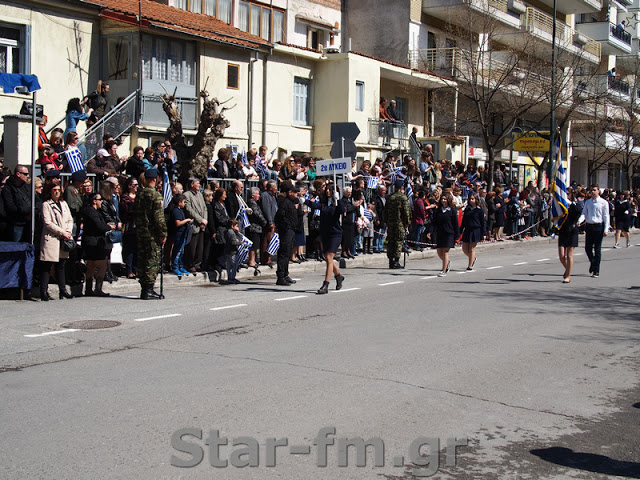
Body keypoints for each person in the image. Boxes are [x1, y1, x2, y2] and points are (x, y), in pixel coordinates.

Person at [135, 168, 167, 299]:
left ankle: (144, 288)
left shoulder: (140, 194)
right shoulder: (155, 195)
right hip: (152, 233)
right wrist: (163, 233)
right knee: (152, 260)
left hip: (141, 231)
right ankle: (148, 289)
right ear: (155, 179)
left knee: (142, 259)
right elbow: (159, 218)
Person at [39, 184, 74, 300]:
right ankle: (43, 291)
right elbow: (48, 223)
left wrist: (68, 231)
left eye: (59, 190)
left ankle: (63, 289)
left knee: (61, 265)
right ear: (50, 191)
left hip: (64, 237)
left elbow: (69, 219)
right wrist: (62, 232)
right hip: (52, 238)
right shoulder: (46, 204)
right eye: (55, 190)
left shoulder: (64, 204)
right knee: (47, 265)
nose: (57, 192)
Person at [81, 192, 113, 297]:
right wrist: (109, 227)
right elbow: (99, 226)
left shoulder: (94, 211)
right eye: (100, 200)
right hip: (94, 242)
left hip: (91, 241)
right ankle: (97, 288)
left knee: (91, 265)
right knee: (101, 265)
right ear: (94, 201)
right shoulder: (92, 212)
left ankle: (89, 289)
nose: (101, 202)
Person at [316, 182, 345, 294]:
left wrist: (340, 199)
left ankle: (326, 285)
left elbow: (342, 211)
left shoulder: (337, 203)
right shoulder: (324, 202)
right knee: (328, 258)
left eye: (330, 190)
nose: (327, 191)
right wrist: (304, 200)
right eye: (326, 189)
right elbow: (316, 206)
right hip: (325, 233)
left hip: (335, 234)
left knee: (329, 257)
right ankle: (338, 276)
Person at [578, 185, 610, 278]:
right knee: (588, 248)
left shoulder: (603, 202)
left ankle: (596, 270)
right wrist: (580, 220)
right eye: (591, 190)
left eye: (594, 190)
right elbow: (584, 213)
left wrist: (606, 229)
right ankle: (593, 262)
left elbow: (606, 216)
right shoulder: (588, 202)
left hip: (598, 226)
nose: (592, 192)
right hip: (589, 226)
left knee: (597, 249)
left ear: (598, 192)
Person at [274, 183, 299, 286]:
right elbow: (279, 216)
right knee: (284, 253)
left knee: (287, 253)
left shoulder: (291, 202)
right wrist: (285, 227)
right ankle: (280, 276)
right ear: (289, 193)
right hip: (286, 231)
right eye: (295, 192)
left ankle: (285, 274)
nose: (296, 194)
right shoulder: (284, 203)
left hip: (291, 230)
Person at [384, 178, 411, 269]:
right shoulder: (403, 197)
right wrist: (407, 222)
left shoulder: (390, 197)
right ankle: (396, 261)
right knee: (398, 242)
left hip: (391, 223)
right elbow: (406, 212)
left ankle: (391, 261)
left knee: (391, 241)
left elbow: (385, 211)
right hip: (399, 223)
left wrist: (386, 221)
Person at [557, 188, 582, 283]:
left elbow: (579, 211)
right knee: (561, 256)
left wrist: (571, 203)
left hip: (572, 230)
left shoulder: (575, 204)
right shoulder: (561, 205)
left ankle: (568, 276)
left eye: (567, 194)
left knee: (569, 255)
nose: (565, 195)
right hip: (563, 230)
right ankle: (568, 269)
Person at [433, 192, 459, 277]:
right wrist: (430, 231)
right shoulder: (438, 211)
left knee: (445, 251)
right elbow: (434, 222)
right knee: (439, 251)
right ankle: (447, 262)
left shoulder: (452, 211)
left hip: (449, 233)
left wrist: (457, 237)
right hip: (440, 233)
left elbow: (455, 224)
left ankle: (444, 270)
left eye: (445, 199)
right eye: (442, 199)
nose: (443, 201)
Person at [2, 165, 31, 242]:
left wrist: (34, 212)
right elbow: (10, 206)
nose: (28, 176)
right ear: (18, 174)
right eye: (25, 174)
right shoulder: (8, 188)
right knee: (16, 246)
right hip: (16, 224)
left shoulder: (27, 187)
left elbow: (36, 200)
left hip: (29, 223)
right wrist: (24, 213)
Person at [184, 177, 207, 273]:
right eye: (197, 183)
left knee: (200, 247)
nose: (199, 185)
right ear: (192, 184)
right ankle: (190, 264)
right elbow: (189, 210)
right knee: (192, 247)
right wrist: (200, 219)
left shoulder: (200, 195)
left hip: (202, 225)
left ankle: (198, 264)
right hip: (194, 224)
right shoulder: (187, 195)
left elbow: (204, 208)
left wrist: (205, 219)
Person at [460, 193, 486, 271]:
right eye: (470, 199)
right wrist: (460, 231)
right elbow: (464, 221)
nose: (471, 200)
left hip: (475, 230)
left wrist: (484, 233)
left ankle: (470, 265)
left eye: (472, 199)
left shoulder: (479, 210)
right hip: (467, 229)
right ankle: (473, 258)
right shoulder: (467, 209)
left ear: (476, 200)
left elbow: (483, 222)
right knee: (464, 248)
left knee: (472, 248)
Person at [120, 176, 138, 279]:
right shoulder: (125, 197)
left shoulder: (138, 196)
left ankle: (136, 269)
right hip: (129, 226)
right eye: (135, 185)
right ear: (129, 186)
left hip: (138, 225)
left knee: (137, 249)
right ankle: (129, 270)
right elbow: (129, 210)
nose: (136, 187)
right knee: (129, 249)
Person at [170, 194, 193, 276]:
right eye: (184, 202)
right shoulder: (176, 211)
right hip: (178, 234)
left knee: (181, 251)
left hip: (183, 234)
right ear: (179, 203)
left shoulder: (181, 211)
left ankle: (181, 266)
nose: (185, 203)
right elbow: (178, 223)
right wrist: (187, 220)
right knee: (177, 251)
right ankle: (175, 267)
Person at [246, 187, 266, 269]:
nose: (259, 196)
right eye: (257, 194)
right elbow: (257, 214)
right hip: (253, 226)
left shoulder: (255, 203)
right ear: (252, 195)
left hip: (257, 227)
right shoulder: (252, 203)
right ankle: (251, 260)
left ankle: (253, 260)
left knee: (256, 244)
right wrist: (263, 221)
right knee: (253, 244)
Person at [260, 180, 278, 266]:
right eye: (275, 187)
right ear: (270, 188)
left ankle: (269, 258)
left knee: (271, 240)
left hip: (274, 221)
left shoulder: (273, 196)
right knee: (266, 240)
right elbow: (266, 209)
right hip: (269, 222)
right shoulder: (265, 195)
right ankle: (265, 259)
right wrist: (270, 222)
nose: (276, 188)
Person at [223, 218, 244, 284]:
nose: (237, 227)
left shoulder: (227, 232)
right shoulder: (232, 233)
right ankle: (232, 278)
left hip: (227, 251)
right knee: (234, 266)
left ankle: (229, 277)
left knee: (229, 266)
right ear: (232, 226)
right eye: (236, 226)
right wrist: (241, 242)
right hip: (232, 252)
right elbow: (234, 243)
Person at [373, 184, 387, 253]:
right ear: (379, 191)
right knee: (377, 233)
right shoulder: (376, 198)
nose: (384, 192)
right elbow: (375, 210)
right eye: (383, 190)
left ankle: (381, 247)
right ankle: (376, 247)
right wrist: (377, 219)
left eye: (385, 190)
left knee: (382, 234)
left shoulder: (385, 198)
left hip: (384, 218)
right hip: (379, 218)